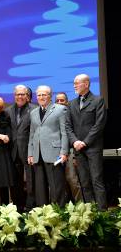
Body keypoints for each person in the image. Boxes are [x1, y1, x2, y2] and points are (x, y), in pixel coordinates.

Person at [65, 74, 107, 209]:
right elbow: (68, 126)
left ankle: (102, 213)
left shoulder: (97, 100)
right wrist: (75, 142)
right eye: (74, 83)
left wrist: (85, 142)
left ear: (87, 84)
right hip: (78, 148)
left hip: (93, 148)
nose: (74, 85)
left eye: (77, 83)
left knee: (97, 181)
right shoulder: (71, 104)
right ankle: (90, 212)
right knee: (84, 182)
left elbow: (99, 124)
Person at [28, 85, 69, 207]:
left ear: (50, 96)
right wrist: (30, 153)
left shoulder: (60, 109)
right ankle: (43, 215)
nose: (41, 97)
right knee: (40, 189)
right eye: (39, 95)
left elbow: (64, 132)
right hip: (38, 154)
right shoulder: (33, 112)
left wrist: (64, 152)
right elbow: (32, 134)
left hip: (55, 153)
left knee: (57, 187)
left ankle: (59, 214)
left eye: (44, 94)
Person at [5, 85, 37, 211]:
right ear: (14, 96)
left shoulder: (35, 109)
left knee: (31, 181)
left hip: (29, 151)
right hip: (13, 151)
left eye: (22, 94)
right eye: (18, 94)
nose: (20, 97)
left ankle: (31, 207)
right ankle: (18, 207)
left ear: (27, 96)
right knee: (15, 182)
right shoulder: (8, 111)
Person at [55, 92, 82, 202]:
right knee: (59, 182)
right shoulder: (53, 115)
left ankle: (81, 206)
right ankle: (65, 207)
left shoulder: (72, 114)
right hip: (56, 152)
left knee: (72, 179)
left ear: (67, 101)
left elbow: (77, 135)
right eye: (57, 101)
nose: (60, 103)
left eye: (62, 100)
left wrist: (76, 156)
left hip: (71, 152)